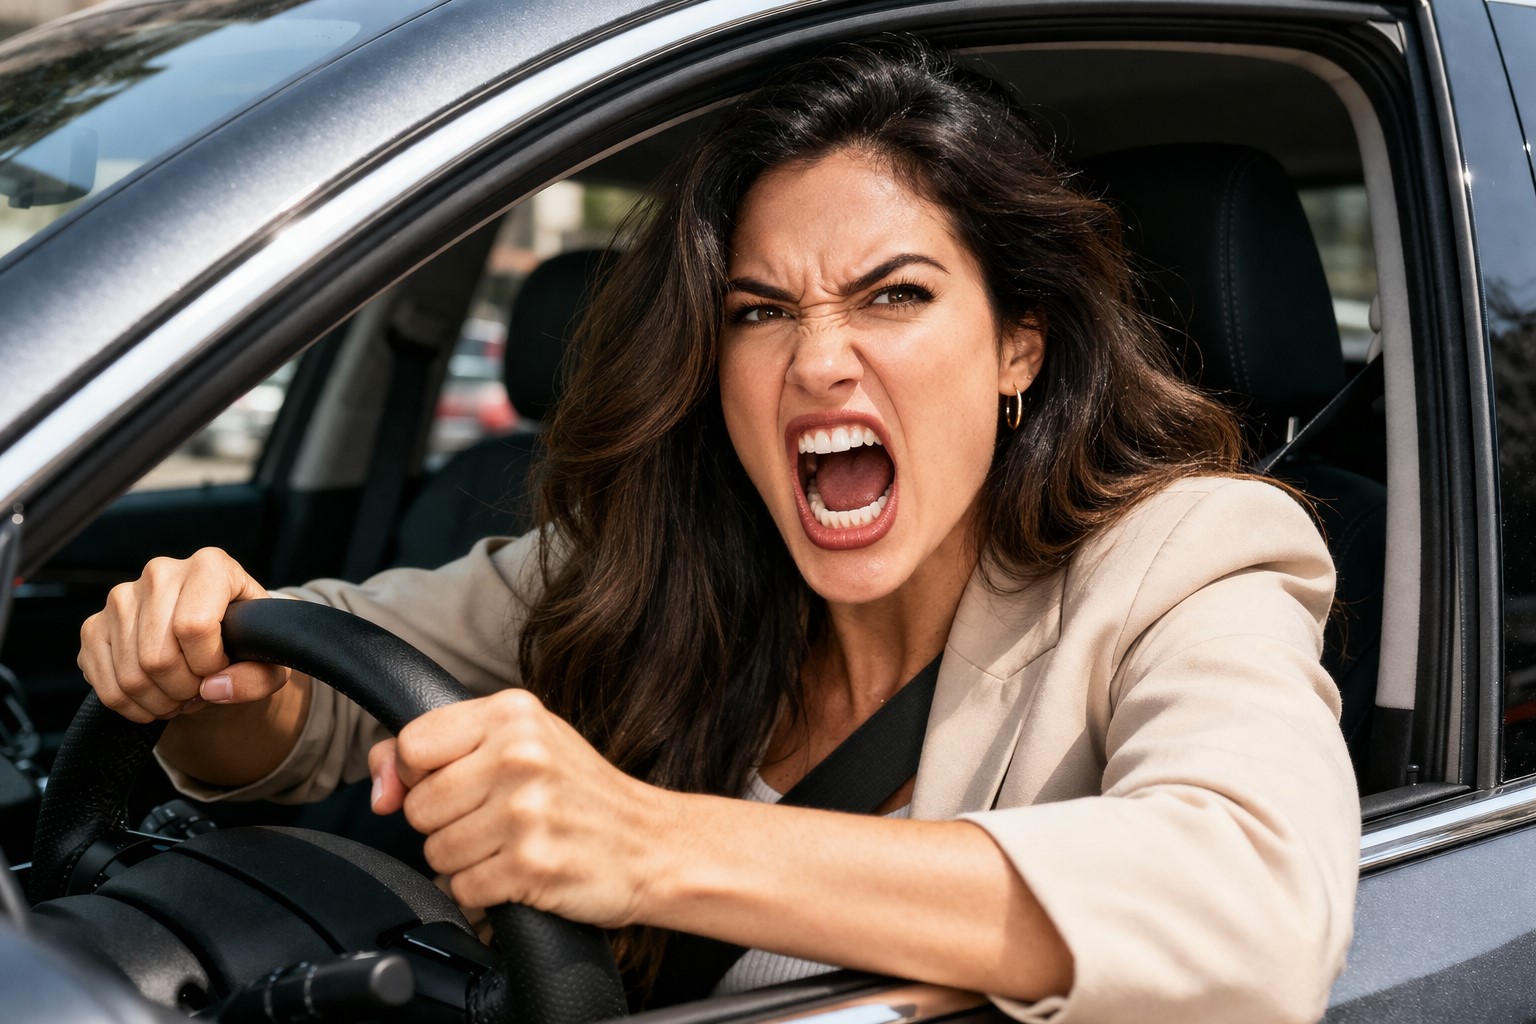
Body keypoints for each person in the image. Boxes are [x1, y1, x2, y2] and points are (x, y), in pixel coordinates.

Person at [76, 38, 1359, 1024]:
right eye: (759, 311)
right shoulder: (661, 563)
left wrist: (645, 843)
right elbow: (336, 678)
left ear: (1020, 341)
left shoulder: (1193, 556)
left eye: (894, 295)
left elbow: (1253, 901)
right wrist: (211, 669)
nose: (817, 362)